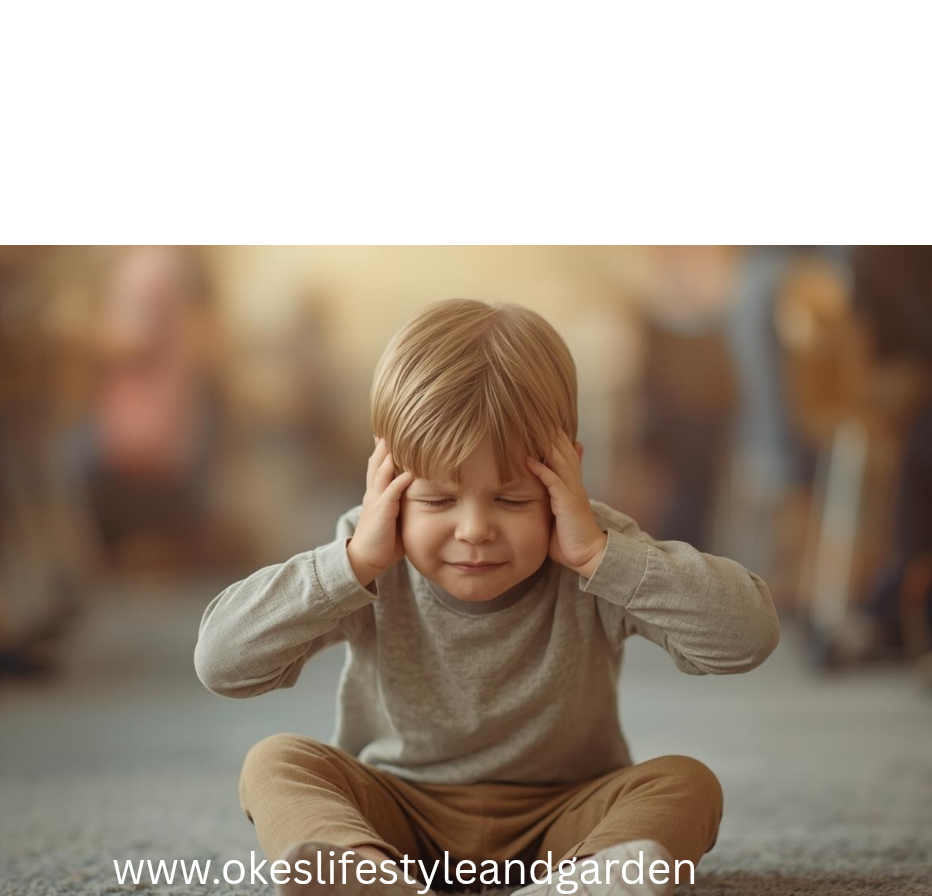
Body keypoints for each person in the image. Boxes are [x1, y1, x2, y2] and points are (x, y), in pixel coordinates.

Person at [195, 298, 780, 896]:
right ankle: (364, 877)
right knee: (276, 761)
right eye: (437, 501)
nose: (474, 529)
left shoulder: (601, 551)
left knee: (686, 783)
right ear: (386, 479)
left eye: (513, 500)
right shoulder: (366, 555)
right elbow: (221, 663)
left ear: (567, 477)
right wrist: (352, 564)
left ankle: (588, 885)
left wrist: (601, 556)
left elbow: (749, 636)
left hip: (563, 826)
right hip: (398, 821)